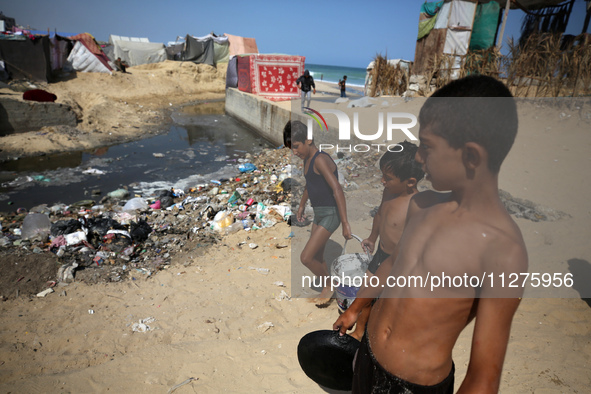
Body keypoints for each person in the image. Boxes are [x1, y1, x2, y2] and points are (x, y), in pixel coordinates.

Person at [333, 75, 528, 393]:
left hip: (416, 384)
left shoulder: (502, 250)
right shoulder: (421, 205)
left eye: (427, 146)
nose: (419, 158)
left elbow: (483, 377)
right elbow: (391, 264)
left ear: (470, 156)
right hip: (369, 356)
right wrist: (356, 308)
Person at [347, 141, 424, 341]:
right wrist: (373, 238)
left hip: (399, 263)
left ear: (410, 182)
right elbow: (381, 214)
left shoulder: (416, 207)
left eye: (387, 178)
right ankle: (359, 331)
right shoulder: (389, 191)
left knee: (390, 303)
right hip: (381, 253)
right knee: (365, 293)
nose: (382, 181)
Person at [291, 120, 352, 306]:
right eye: (291, 148)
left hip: (331, 214)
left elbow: (337, 190)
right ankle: (330, 289)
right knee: (317, 256)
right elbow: (311, 185)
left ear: (308, 140)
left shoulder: (320, 159)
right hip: (318, 213)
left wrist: (345, 222)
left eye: (296, 146)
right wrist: (301, 205)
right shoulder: (307, 160)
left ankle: (329, 284)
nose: (295, 151)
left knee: (306, 257)